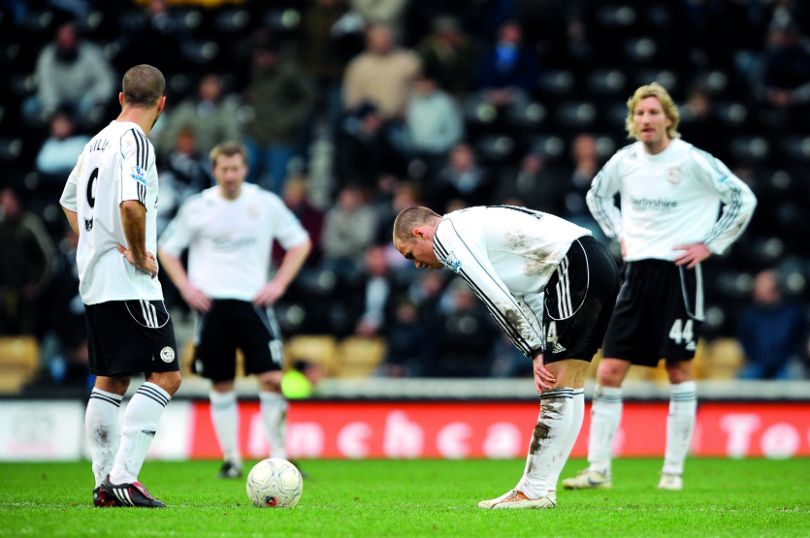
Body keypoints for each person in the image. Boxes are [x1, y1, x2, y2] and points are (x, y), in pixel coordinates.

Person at [563, 82, 758, 492]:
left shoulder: (692, 160)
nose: (646, 120)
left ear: (670, 118)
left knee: (679, 367)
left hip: (679, 273)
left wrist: (711, 243)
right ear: (632, 121)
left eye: (653, 113)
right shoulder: (625, 160)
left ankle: (672, 472)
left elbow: (742, 198)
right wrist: (618, 233)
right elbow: (597, 196)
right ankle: (598, 470)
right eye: (640, 114)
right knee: (612, 368)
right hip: (635, 273)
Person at [393, 205, 619, 509]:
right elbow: (524, 294)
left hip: (573, 267)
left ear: (420, 233)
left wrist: (534, 349)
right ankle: (540, 489)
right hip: (590, 261)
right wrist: (540, 346)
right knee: (568, 384)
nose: (416, 265)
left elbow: (492, 294)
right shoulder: (473, 225)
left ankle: (534, 490)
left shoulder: (449, 236)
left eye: (410, 254)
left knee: (557, 386)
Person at [59, 64, 180, 508]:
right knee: (166, 375)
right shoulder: (136, 142)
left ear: (120, 97)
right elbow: (132, 207)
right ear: (162, 103)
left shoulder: (95, 143)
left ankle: (103, 484)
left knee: (110, 380)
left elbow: (69, 202)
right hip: (129, 280)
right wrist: (137, 251)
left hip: (94, 277)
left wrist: (95, 242)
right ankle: (124, 478)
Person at [158, 141, 311, 479]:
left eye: (236, 168)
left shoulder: (265, 203)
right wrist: (186, 287)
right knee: (221, 383)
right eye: (224, 169)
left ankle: (280, 456)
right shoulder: (198, 207)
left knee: (272, 378)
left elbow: (300, 242)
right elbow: (167, 249)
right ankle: (231, 459)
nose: (230, 175)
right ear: (215, 171)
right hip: (212, 305)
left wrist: (279, 283)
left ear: (245, 169)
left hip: (253, 302)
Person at [738, 269, 808, 380]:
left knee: (794, 374)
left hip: (787, 363)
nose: (756, 288)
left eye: (761, 284)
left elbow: (800, 339)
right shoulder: (750, 314)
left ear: (774, 288)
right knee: (744, 377)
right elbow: (745, 341)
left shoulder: (793, 312)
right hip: (758, 362)